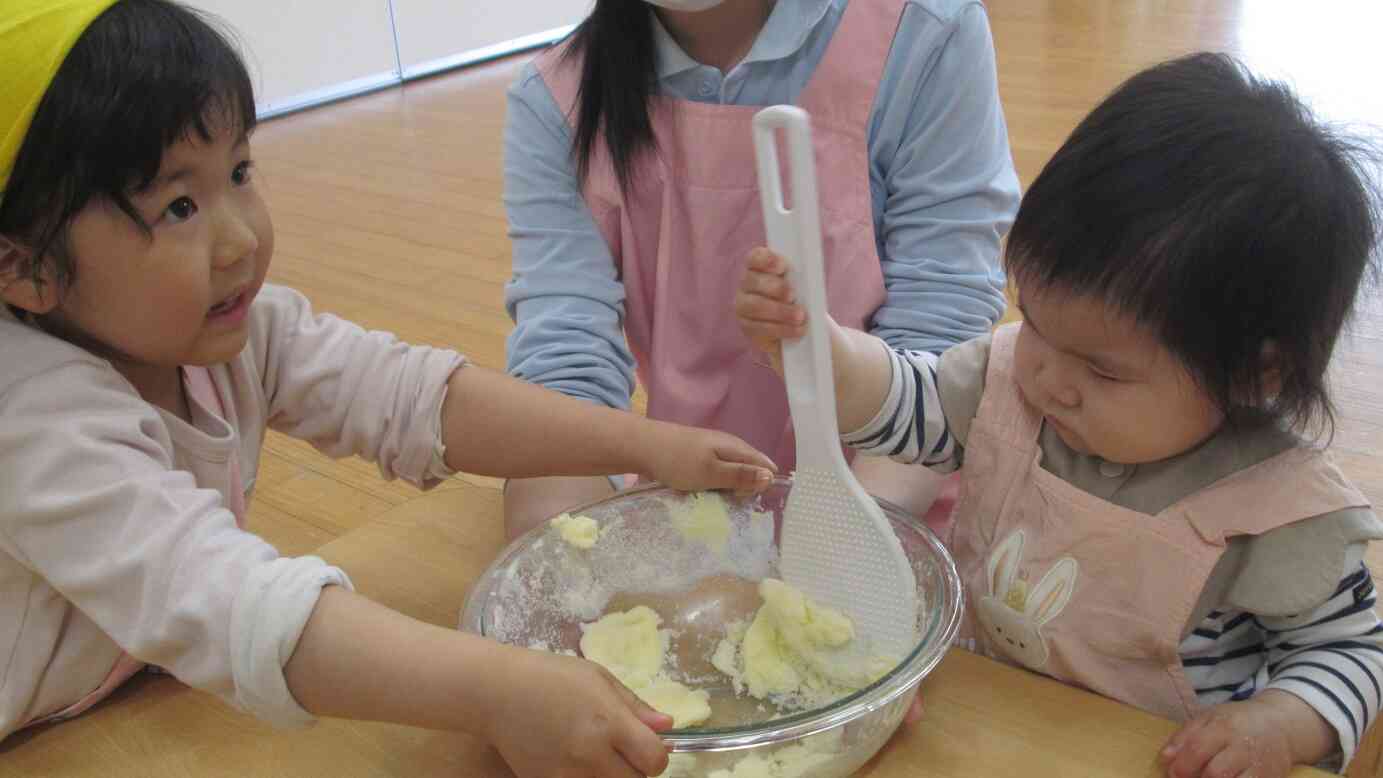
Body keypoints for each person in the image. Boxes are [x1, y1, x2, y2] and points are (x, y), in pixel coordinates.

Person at [0, 3, 777, 776]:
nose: (240, 237)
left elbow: (414, 397)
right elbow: (224, 597)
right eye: (178, 206)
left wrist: (646, 442)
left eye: (239, 172)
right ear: (25, 268)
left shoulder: (228, 329)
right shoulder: (32, 423)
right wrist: (498, 690)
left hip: (126, 681)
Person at [735, 52, 1383, 776]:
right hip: (982, 719)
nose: (1047, 377)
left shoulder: (1280, 514)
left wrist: (1280, 725)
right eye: (1035, 320)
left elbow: (1349, 651)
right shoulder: (1009, 381)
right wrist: (819, 349)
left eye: (1102, 369)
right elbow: (903, 404)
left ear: (1254, 374)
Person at [501, 0, 1021, 538]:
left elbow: (937, 343)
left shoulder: (924, 34)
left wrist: (846, 543)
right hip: (703, 507)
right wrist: (554, 543)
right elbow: (564, 370)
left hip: (899, 492)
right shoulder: (557, 98)